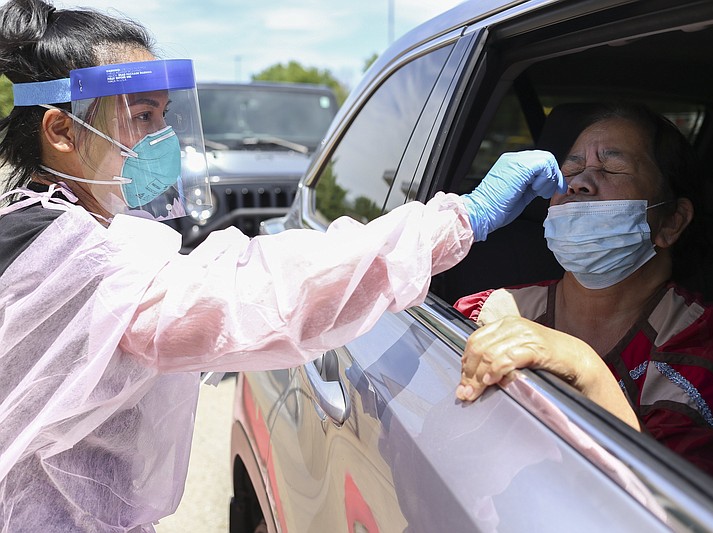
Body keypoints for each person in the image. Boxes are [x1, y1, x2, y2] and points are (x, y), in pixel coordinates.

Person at [0, 1, 567, 531]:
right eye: (142, 116)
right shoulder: (86, 262)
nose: (162, 139)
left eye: (164, 116)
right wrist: (462, 218)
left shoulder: (36, 226)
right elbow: (259, 296)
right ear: (62, 132)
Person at [454, 102, 713, 489]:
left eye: (612, 168)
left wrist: (584, 369)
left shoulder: (707, 350)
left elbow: (670, 508)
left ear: (672, 221)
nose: (581, 182)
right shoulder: (496, 311)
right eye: (571, 170)